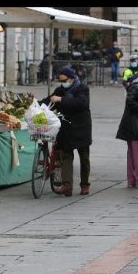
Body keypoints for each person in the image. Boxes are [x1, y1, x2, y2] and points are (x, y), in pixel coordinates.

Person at [39, 67, 92, 196]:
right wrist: (36, 104)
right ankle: (67, 185)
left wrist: (61, 100)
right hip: (66, 127)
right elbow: (49, 100)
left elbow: (81, 103)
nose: (62, 83)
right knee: (66, 156)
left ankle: (85, 184)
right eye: (60, 80)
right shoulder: (60, 90)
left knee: (84, 157)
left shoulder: (82, 88)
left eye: (64, 80)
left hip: (81, 127)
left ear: (72, 79)